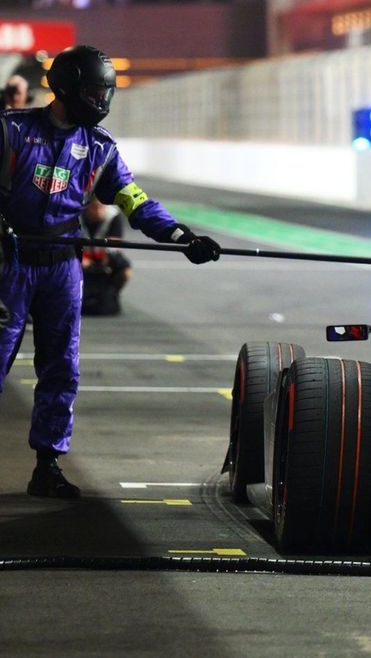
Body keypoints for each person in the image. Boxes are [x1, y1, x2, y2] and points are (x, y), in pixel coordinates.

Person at [0, 45, 222, 499]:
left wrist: (181, 237)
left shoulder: (99, 149)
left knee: (62, 368)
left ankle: (48, 465)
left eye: (106, 91)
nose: (101, 100)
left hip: (63, 266)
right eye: (93, 90)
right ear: (64, 87)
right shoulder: (11, 132)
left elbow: (135, 202)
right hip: (9, 263)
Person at [80, 198, 132, 315]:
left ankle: (113, 293)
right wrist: (81, 258)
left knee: (126, 271)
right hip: (80, 256)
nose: (98, 211)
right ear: (87, 207)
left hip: (104, 257)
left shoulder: (113, 216)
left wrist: (106, 261)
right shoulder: (76, 216)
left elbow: (115, 244)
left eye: (101, 207)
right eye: (95, 207)